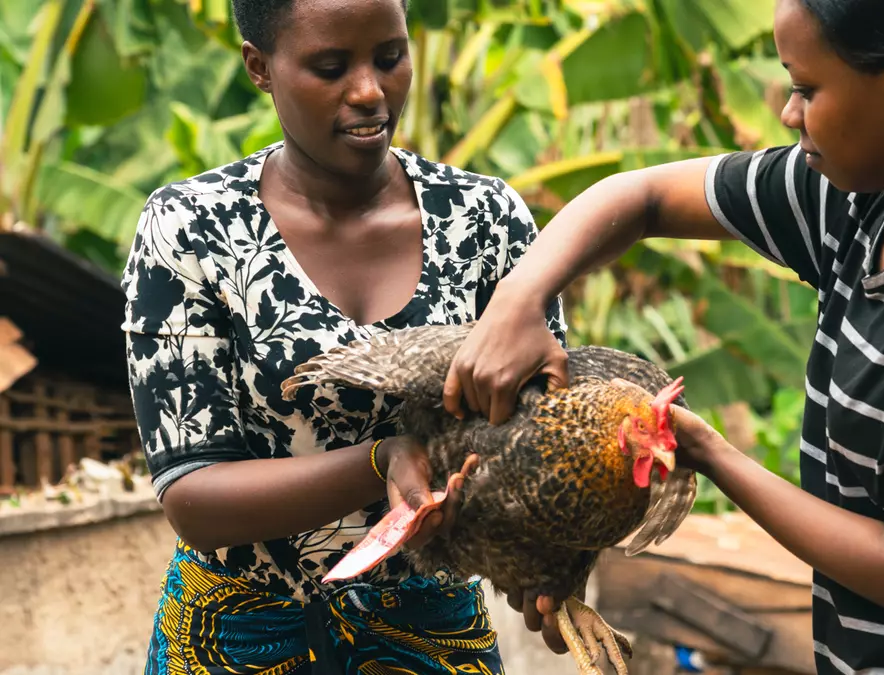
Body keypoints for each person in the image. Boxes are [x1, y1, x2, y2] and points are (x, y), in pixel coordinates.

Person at [443, 0, 884, 673]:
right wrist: (518, 299)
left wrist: (705, 449)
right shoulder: (856, 204)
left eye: (807, 88)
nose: (788, 112)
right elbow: (639, 197)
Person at [120, 0, 566, 672]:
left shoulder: (485, 221)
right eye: (331, 67)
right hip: (239, 638)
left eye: (390, 57)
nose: (369, 91)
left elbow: (544, 434)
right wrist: (380, 460)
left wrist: (547, 556)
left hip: (430, 635)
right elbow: (192, 495)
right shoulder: (191, 231)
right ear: (259, 67)